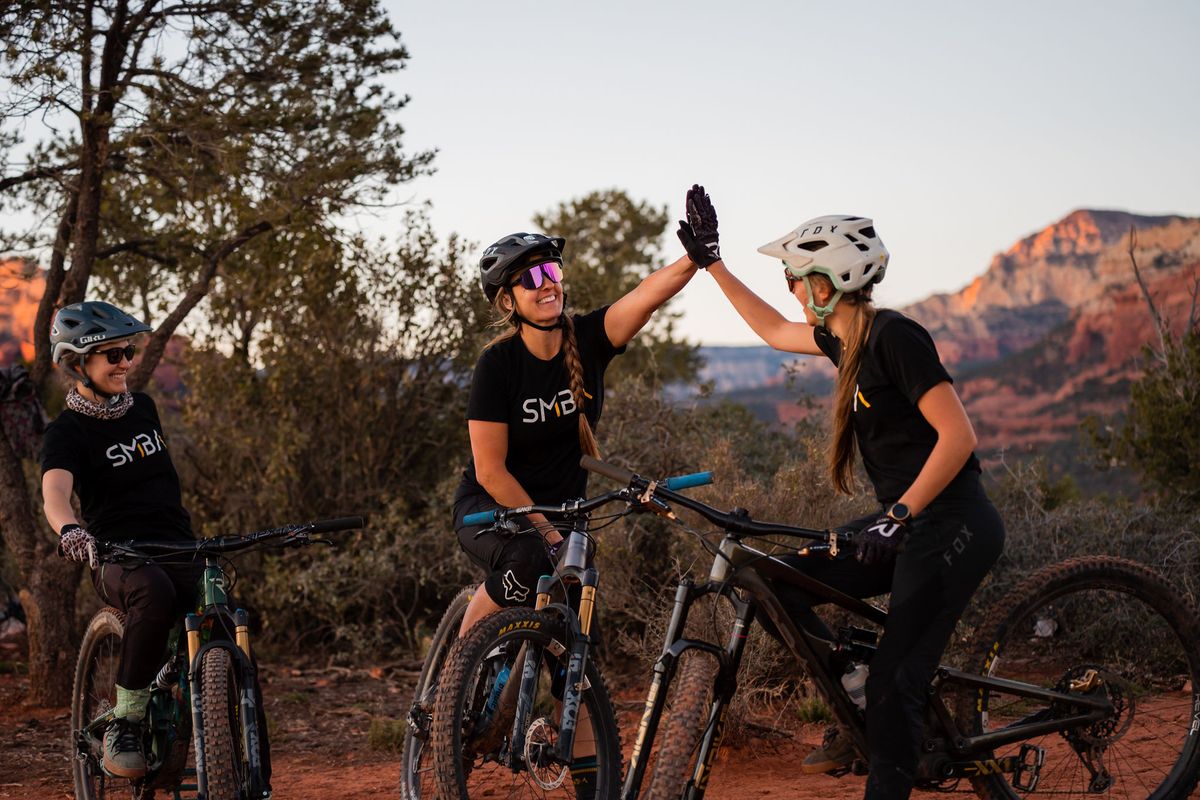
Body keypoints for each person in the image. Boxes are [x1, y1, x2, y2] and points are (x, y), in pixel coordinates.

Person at [678, 187, 1005, 799]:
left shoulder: (894, 337)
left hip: (950, 522)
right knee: (774, 579)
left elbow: (959, 436)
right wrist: (712, 264)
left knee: (896, 683)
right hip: (903, 522)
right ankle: (852, 687)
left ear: (826, 284)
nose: (792, 292)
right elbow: (775, 331)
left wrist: (901, 514)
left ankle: (879, 712)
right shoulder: (844, 341)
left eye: (795, 279)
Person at [451, 229, 700, 797]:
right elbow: (490, 471)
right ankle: (453, 691)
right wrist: (546, 531)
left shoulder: (587, 339)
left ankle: (592, 782)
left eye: (553, 273)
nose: (548, 286)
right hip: (492, 506)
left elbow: (646, 296)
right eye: (532, 278)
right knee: (521, 563)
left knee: (575, 641)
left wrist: (695, 259)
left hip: (567, 510)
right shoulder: (498, 366)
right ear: (507, 300)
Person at [39, 301, 269, 788]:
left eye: (127, 351)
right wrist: (71, 531)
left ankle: (228, 741)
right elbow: (55, 494)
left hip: (176, 543)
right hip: (117, 553)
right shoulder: (67, 432)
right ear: (78, 365)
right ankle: (125, 720)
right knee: (155, 595)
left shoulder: (142, 407)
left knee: (229, 612)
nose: (124, 361)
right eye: (110, 355)